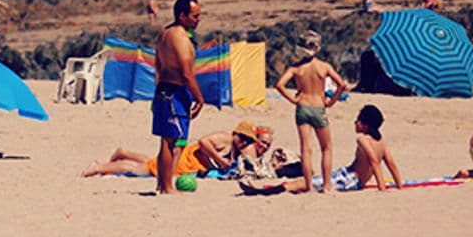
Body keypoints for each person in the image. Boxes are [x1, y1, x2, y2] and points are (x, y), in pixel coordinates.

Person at [241, 105, 403, 194]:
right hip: (347, 176)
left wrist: (382, 188)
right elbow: (391, 163)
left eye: (357, 120)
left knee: (304, 183)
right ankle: (264, 190)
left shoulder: (363, 140)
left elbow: (375, 162)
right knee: (309, 181)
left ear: (365, 125)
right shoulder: (381, 141)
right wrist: (399, 185)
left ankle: (258, 192)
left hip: (350, 180)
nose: (355, 123)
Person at [274, 30, 348, 193]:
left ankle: (308, 186)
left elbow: (279, 85)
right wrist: (332, 101)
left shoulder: (296, 68)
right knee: (326, 147)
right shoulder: (323, 67)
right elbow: (342, 85)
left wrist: (293, 100)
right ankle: (327, 185)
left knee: (306, 149)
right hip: (318, 107)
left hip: (302, 108)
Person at [152, 0, 205, 195]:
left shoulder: (165, 33)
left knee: (166, 140)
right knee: (170, 141)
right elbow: (186, 73)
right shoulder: (179, 38)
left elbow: (158, 65)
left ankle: (161, 184)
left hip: (164, 89)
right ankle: (166, 187)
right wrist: (199, 98)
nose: (198, 20)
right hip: (174, 91)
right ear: (182, 16)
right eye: (194, 16)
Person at [82, 121, 258, 179]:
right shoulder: (225, 138)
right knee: (147, 169)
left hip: (192, 166)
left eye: (247, 141)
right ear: (235, 133)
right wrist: (220, 161)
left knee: (153, 162)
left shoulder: (238, 149)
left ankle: (123, 153)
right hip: (186, 159)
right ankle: (99, 167)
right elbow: (203, 142)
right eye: (242, 138)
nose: (244, 142)